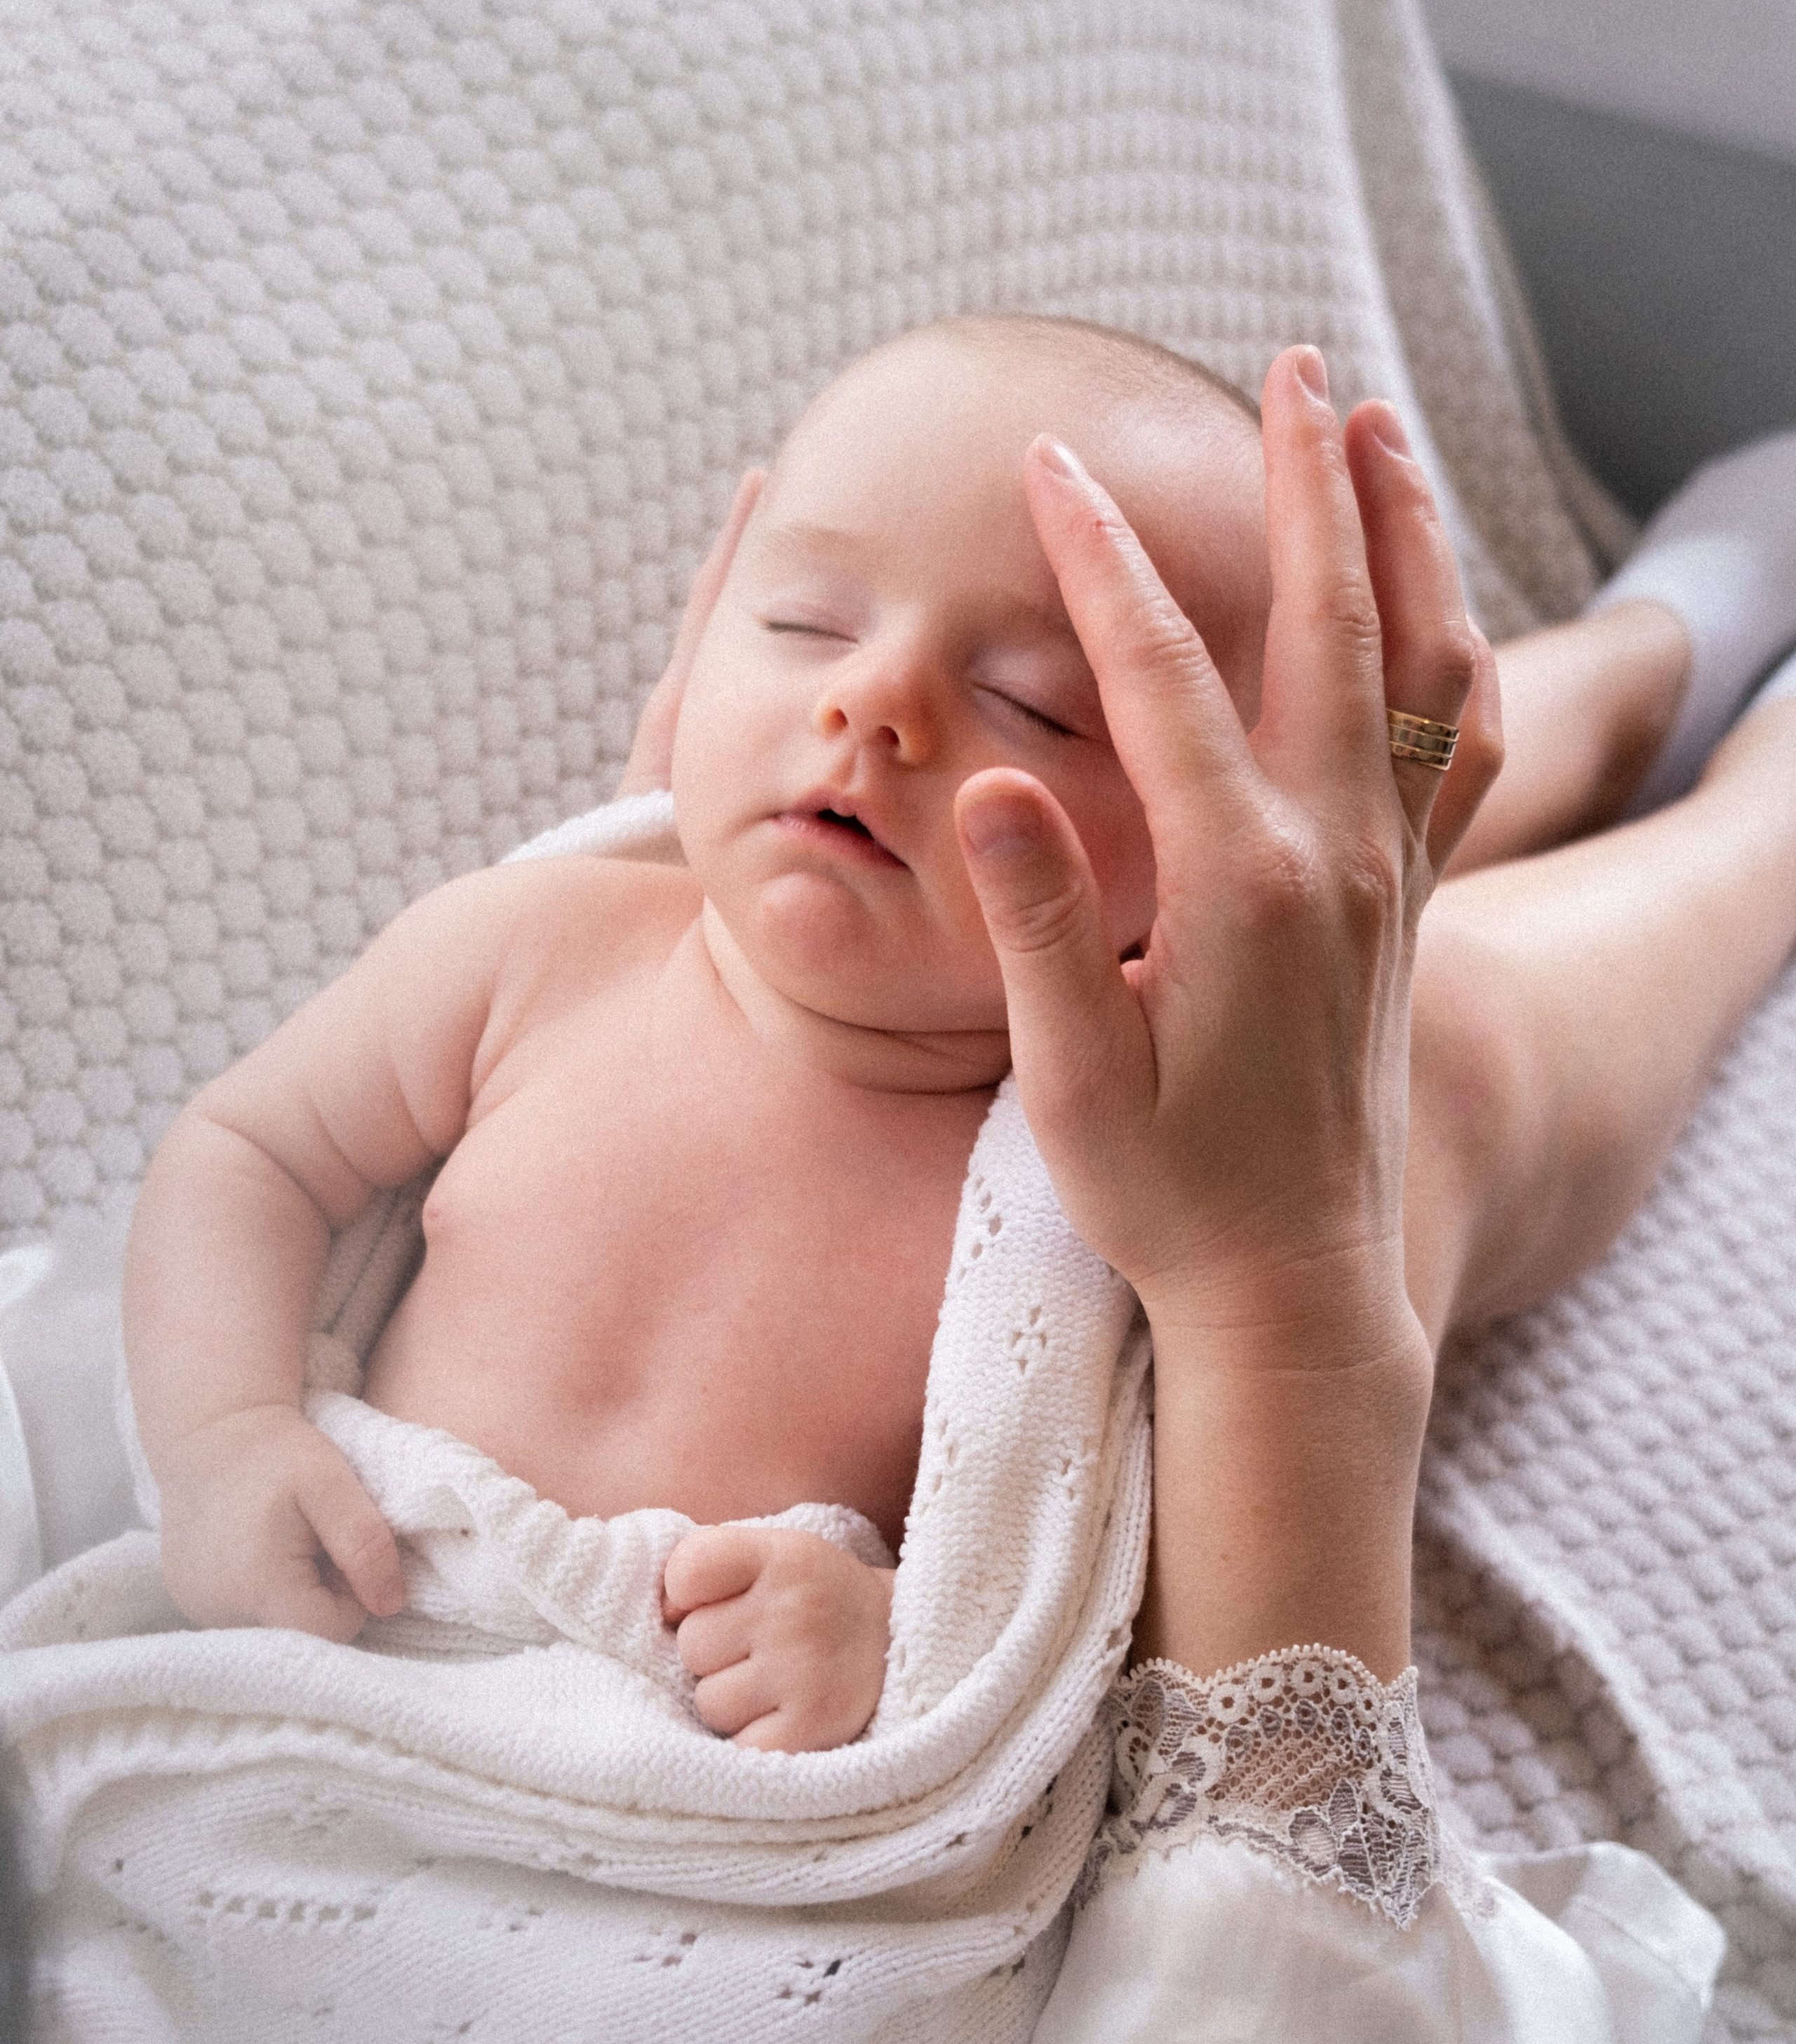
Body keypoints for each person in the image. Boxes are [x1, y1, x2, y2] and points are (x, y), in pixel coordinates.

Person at [121, 311, 1796, 1750]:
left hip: (1212, 1069)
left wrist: (897, 1640)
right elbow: (243, 1154)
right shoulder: (529, 952)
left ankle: (1734, 770)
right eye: (804, 626)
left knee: (1440, 1061)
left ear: (1194, 868)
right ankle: (1654, 662)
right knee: (1452, 1033)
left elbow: (1099, 1582)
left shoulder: (1089, 1201)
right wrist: (223, 1438)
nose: (873, 706)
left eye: (1037, 704)